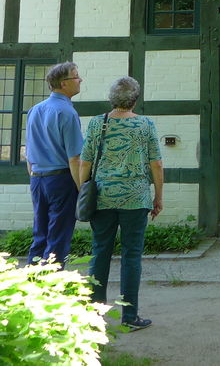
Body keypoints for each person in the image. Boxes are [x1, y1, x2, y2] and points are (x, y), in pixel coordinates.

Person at [79, 76, 164, 331]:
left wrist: (83, 191)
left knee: (100, 252)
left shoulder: (98, 123)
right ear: (135, 99)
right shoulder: (145, 124)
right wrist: (158, 196)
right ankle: (129, 316)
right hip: (136, 199)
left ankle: (95, 316)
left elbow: (85, 162)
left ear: (111, 99)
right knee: (131, 256)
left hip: (102, 197)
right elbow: (156, 164)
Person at [24, 61, 84, 264]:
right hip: (61, 180)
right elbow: (74, 158)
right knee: (58, 237)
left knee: (40, 235)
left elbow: (29, 152)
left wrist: (34, 177)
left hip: (37, 179)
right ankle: (53, 281)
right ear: (64, 83)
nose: (80, 80)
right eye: (76, 76)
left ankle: (31, 278)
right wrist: (82, 189)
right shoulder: (67, 112)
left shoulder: (34, 110)